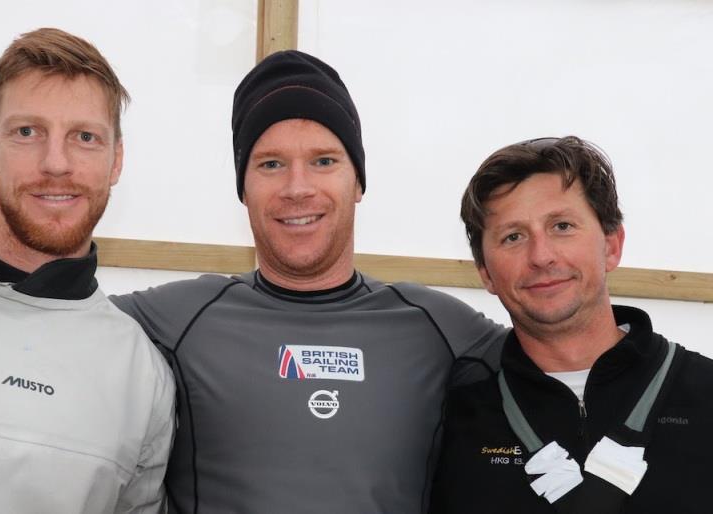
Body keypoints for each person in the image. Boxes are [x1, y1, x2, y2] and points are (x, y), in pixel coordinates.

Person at [111, 50, 506, 514]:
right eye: (271, 164)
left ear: (357, 181)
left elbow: (566, 361)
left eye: (323, 161)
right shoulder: (176, 319)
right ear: (244, 189)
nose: (297, 188)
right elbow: (53, 321)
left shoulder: (438, 328)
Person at [0, 28, 174, 514]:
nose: (56, 163)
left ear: (116, 161)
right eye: (27, 132)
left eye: (85, 137)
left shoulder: (143, 377)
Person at [429, 136, 713, 513]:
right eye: (512, 237)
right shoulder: (450, 419)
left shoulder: (704, 394)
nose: (541, 256)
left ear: (611, 246)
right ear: (486, 273)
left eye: (562, 226)